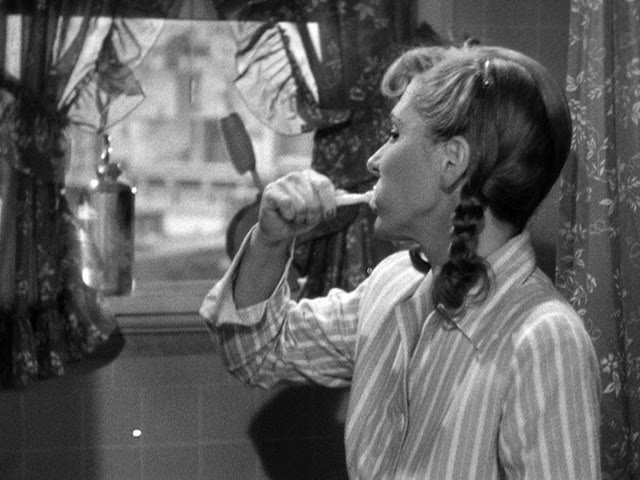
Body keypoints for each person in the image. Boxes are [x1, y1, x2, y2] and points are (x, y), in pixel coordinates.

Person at [200, 43, 601, 479]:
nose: (373, 160)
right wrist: (270, 240)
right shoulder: (394, 285)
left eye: (393, 134)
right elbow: (255, 353)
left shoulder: (544, 340)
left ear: (451, 162)